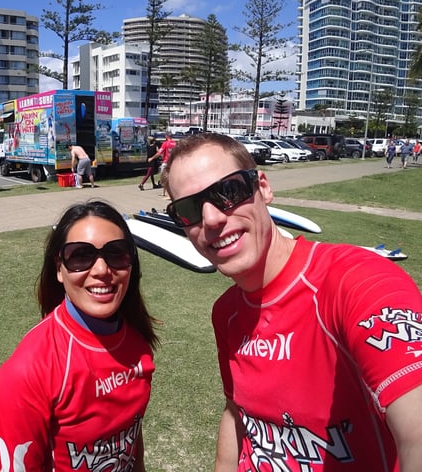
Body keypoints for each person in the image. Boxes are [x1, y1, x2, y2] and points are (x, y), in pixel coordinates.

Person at [163, 132, 422, 471]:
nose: (211, 219)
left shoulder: (355, 280)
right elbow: (237, 412)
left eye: (228, 191)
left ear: (263, 187)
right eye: (189, 209)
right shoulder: (226, 312)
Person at [0, 201, 160, 472]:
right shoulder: (26, 373)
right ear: (59, 268)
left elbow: (132, 437)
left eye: (116, 253)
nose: (102, 270)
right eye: (80, 255)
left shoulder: (136, 341)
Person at [156, 131, 177, 197]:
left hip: (166, 162)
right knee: (170, 178)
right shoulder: (175, 144)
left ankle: (167, 193)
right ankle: (165, 193)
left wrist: (152, 158)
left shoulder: (165, 143)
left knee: (164, 178)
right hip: (172, 162)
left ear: (167, 136)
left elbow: (159, 152)